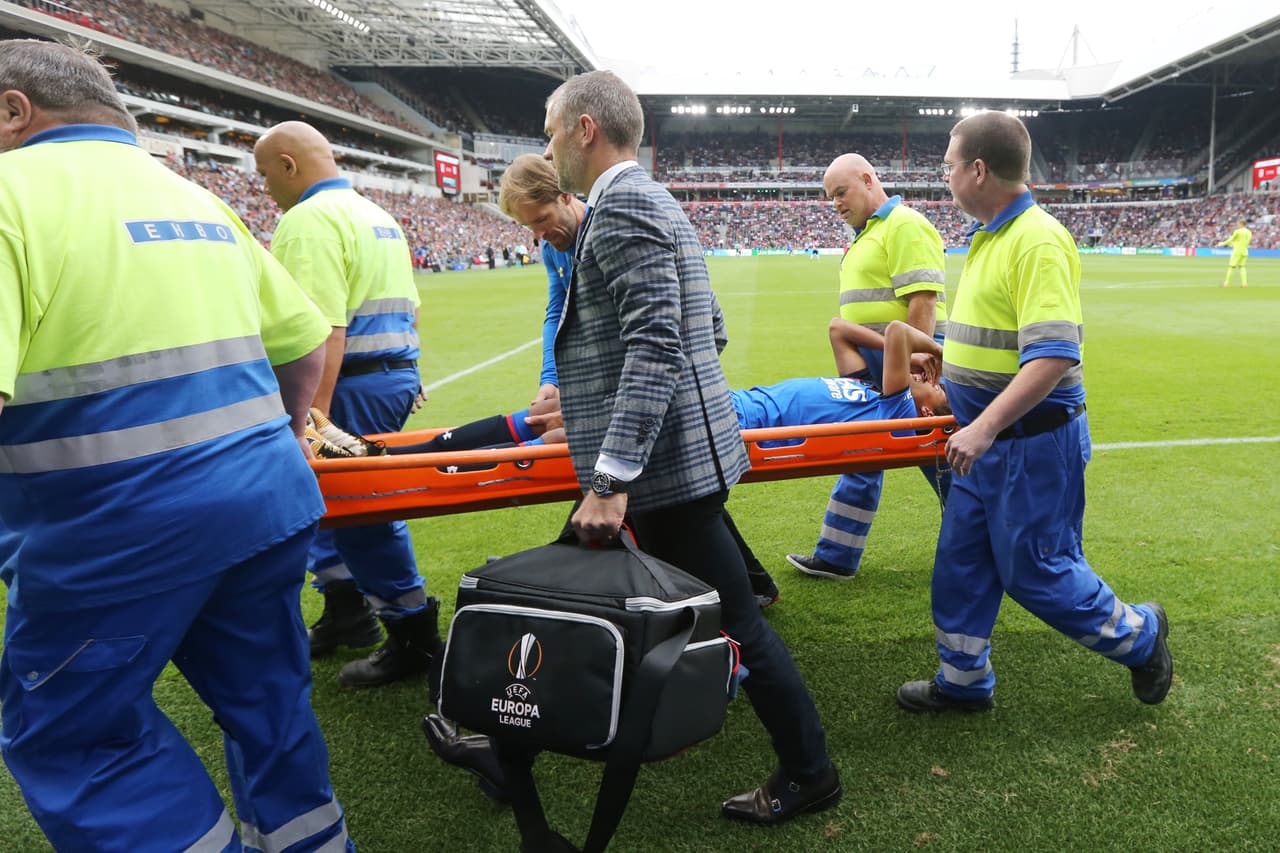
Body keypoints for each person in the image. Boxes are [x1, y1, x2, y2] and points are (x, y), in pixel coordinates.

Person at [0, 40, 353, 851]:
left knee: (76, 740)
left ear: (14, 110)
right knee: (267, 704)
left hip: (111, 527)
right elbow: (302, 342)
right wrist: (278, 437)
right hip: (266, 502)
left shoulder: (10, 192)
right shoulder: (193, 195)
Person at [545, 69, 839, 825]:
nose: (548, 151)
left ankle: (810, 772)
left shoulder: (621, 205)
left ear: (584, 129)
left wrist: (611, 476)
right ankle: (522, 725)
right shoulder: (650, 198)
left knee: (738, 624)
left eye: (551, 133)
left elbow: (656, 343)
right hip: (679, 456)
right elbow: (708, 328)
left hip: (662, 469)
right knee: (675, 605)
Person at [396, 152, 781, 608]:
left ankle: (704, 594)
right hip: (621, 398)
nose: (538, 235)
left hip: (644, 396)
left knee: (673, 504)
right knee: (683, 509)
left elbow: (686, 328)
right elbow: (557, 312)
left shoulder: (612, 228)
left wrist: (641, 396)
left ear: (565, 195)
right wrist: (551, 378)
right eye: (528, 227)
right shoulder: (554, 248)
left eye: (541, 219)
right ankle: (746, 587)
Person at [897, 110, 1172, 713]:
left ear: (977, 170)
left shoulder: (1037, 240)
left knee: (1038, 571)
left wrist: (983, 425)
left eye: (948, 165)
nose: (944, 176)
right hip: (985, 443)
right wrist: (949, 362)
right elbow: (1000, 337)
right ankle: (963, 683)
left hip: (1028, 443)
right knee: (960, 566)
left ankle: (1142, 636)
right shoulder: (991, 236)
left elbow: (1053, 355)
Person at [254, 121, 441, 689]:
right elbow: (409, 308)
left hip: (349, 385)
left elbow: (321, 329)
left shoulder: (307, 220)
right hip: (384, 376)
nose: (265, 188)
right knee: (332, 505)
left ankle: (412, 634)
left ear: (289, 165)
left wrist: (312, 415)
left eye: (265, 174)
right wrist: (406, 371)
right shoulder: (376, 215)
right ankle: (348, 611)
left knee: (363, 510)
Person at [786, 153, 950, 580]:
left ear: (867, 179)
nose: (835, 203)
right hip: (880, 360)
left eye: (841, 192)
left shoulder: (904, 224)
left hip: (911, 362)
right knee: (861, 449)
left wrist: (914, 367)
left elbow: (922, 300)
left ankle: (983, 544)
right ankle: (836, 555)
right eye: (830, 197)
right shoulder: (865, 236)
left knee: (942, 460)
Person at [1218, 218, 1252, 287]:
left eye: (1238, 223)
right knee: (1242, 267)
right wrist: (1233, 244)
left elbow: (1231, 239)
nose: (1237, 225)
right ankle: (1244, 283)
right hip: (1245, 251)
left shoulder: (1238, 231)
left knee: (1231, 267)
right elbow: (1244, 241)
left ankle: (1226, 283)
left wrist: (1223, 243)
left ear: (1241, 224)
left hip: (1237, 251)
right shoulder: (1249, 232)